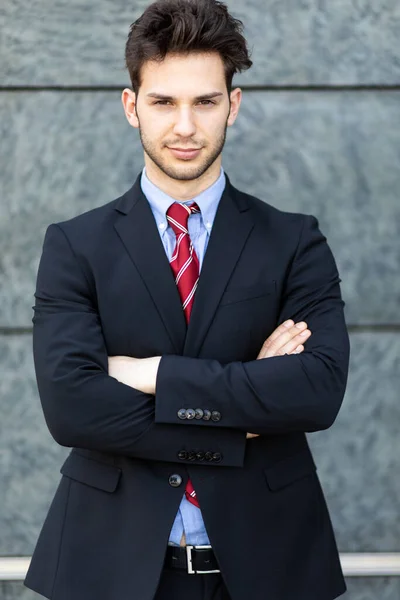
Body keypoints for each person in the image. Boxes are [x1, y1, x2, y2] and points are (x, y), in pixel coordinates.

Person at [24, 1, 350, 599]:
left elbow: (317, 390)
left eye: (204, 101)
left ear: (234, 105)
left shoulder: (293, 239)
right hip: (111, 566)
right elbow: (73, 408)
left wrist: (153, 375)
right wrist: (243, 412)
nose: (184, 126)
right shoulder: (75, 245)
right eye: (163, 101)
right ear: (132, 107)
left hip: (270, 564)